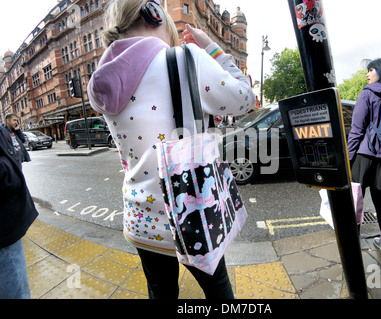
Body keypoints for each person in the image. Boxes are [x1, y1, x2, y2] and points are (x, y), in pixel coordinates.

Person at [87, 0, 255, 299]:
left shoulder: (100, 81)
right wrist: (214, 51)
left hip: (141, 218)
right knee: (218, 292)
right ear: (154, 15)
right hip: (192, 213)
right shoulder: (185, 58)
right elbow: (244, 99)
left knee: (160, 291)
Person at [347, 58, 381, 258]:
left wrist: (348, 157)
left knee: (357, 201)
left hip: (364, 155)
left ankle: (353, 242)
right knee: (380, 201)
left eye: (371, 70)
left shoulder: (367, 93)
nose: (367, 74)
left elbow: (357, 130)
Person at [0, 117, 39, 299]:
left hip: (15, 169)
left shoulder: (12, 133)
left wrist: (17, 129)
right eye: (14, 120)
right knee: (17, 292)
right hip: (4, 228)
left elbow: (22, 142)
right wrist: (9, 172)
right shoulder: (3, 131)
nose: (16, 121)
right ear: (6, 120)